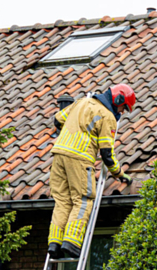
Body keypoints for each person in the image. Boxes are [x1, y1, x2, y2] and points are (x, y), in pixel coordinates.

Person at [48, 84, 135, 260]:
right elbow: (106, 154)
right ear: (118, 99)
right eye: (123, 107)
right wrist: (119, 173)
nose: (122, 112)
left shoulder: (81, 102)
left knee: (62, 201)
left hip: (58, 155)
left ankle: (54, 243)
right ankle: (71, 242)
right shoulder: (107, 116)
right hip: (80, 158)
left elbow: (58, 119)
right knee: (83, 200)